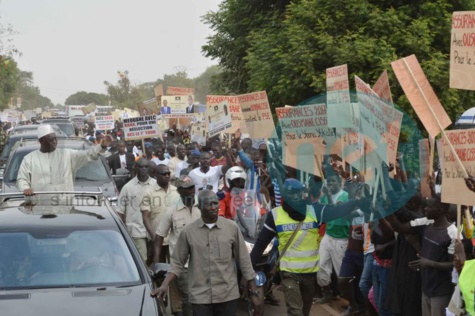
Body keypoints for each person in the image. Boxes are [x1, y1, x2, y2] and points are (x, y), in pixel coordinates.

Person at [250, 178, 367, 316]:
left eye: (298, 193)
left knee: (304, 312)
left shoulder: (314, 211)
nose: (295, 197)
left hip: (310, 275)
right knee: (295, 312)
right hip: (289, 274)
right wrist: (248, 269)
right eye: (291, 194)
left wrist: (357, 201)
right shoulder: (274, 215)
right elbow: (260, 245)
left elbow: (338, 211)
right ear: (285, 196)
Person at [151, 190, 262, 316]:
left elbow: (244, 260)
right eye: (209, 204)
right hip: (200, 297)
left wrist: (253, 292)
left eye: (215, 203)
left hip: (227, 295)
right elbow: (177, 263)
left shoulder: (231, 228)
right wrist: (164, 285)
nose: (214, 207)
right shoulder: (188, 232)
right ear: (200, 207)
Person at [387, 196, 458, 316]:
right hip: (425, 289)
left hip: (440, 292)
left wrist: (429, 263)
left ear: (441, 210)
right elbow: (399, 227)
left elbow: (454, 265)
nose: (424, 209)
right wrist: (387, 210)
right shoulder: (426, 222)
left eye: (429, 206)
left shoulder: (453, 234)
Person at [17, 124, 111, 196]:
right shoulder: (29, 159)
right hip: (39, 207)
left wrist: (102, 146)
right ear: (41, 141)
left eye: (55, 139)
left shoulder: (67, 155)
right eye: (51, 140)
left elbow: (88, 155)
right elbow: (22, 179)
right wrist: (26, 188)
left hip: (65, 208)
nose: (55, 142)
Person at [153, 175, 201, 316]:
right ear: (179, 191)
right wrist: (157, 263)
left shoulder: (203, 206)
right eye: (187, 188)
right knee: (189, 297)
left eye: (193, 187)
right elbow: (159, 236)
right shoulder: (171, 211)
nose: (192, 190)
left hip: (203, 262)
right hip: (183, 265)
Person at [116, 158, 155, 262]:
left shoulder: (156, 185)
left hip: (154, 229)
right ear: (136, 168)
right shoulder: (128, 187)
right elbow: (119, 211)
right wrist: (123, 230)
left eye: (146, 167)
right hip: (136, 230)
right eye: (141, 167)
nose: (144, 169)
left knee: (155, 258)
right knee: (142, 259)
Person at [141, 164, 180, 263]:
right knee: (159, 266)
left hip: (174, 237)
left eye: (168, 173)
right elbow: (145, 216)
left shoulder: (177, 192)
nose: (167, 176)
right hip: (157, 238)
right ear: (155, 175)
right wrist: (153, 236)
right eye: (163, 174)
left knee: (175, 265)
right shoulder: (148, 192)